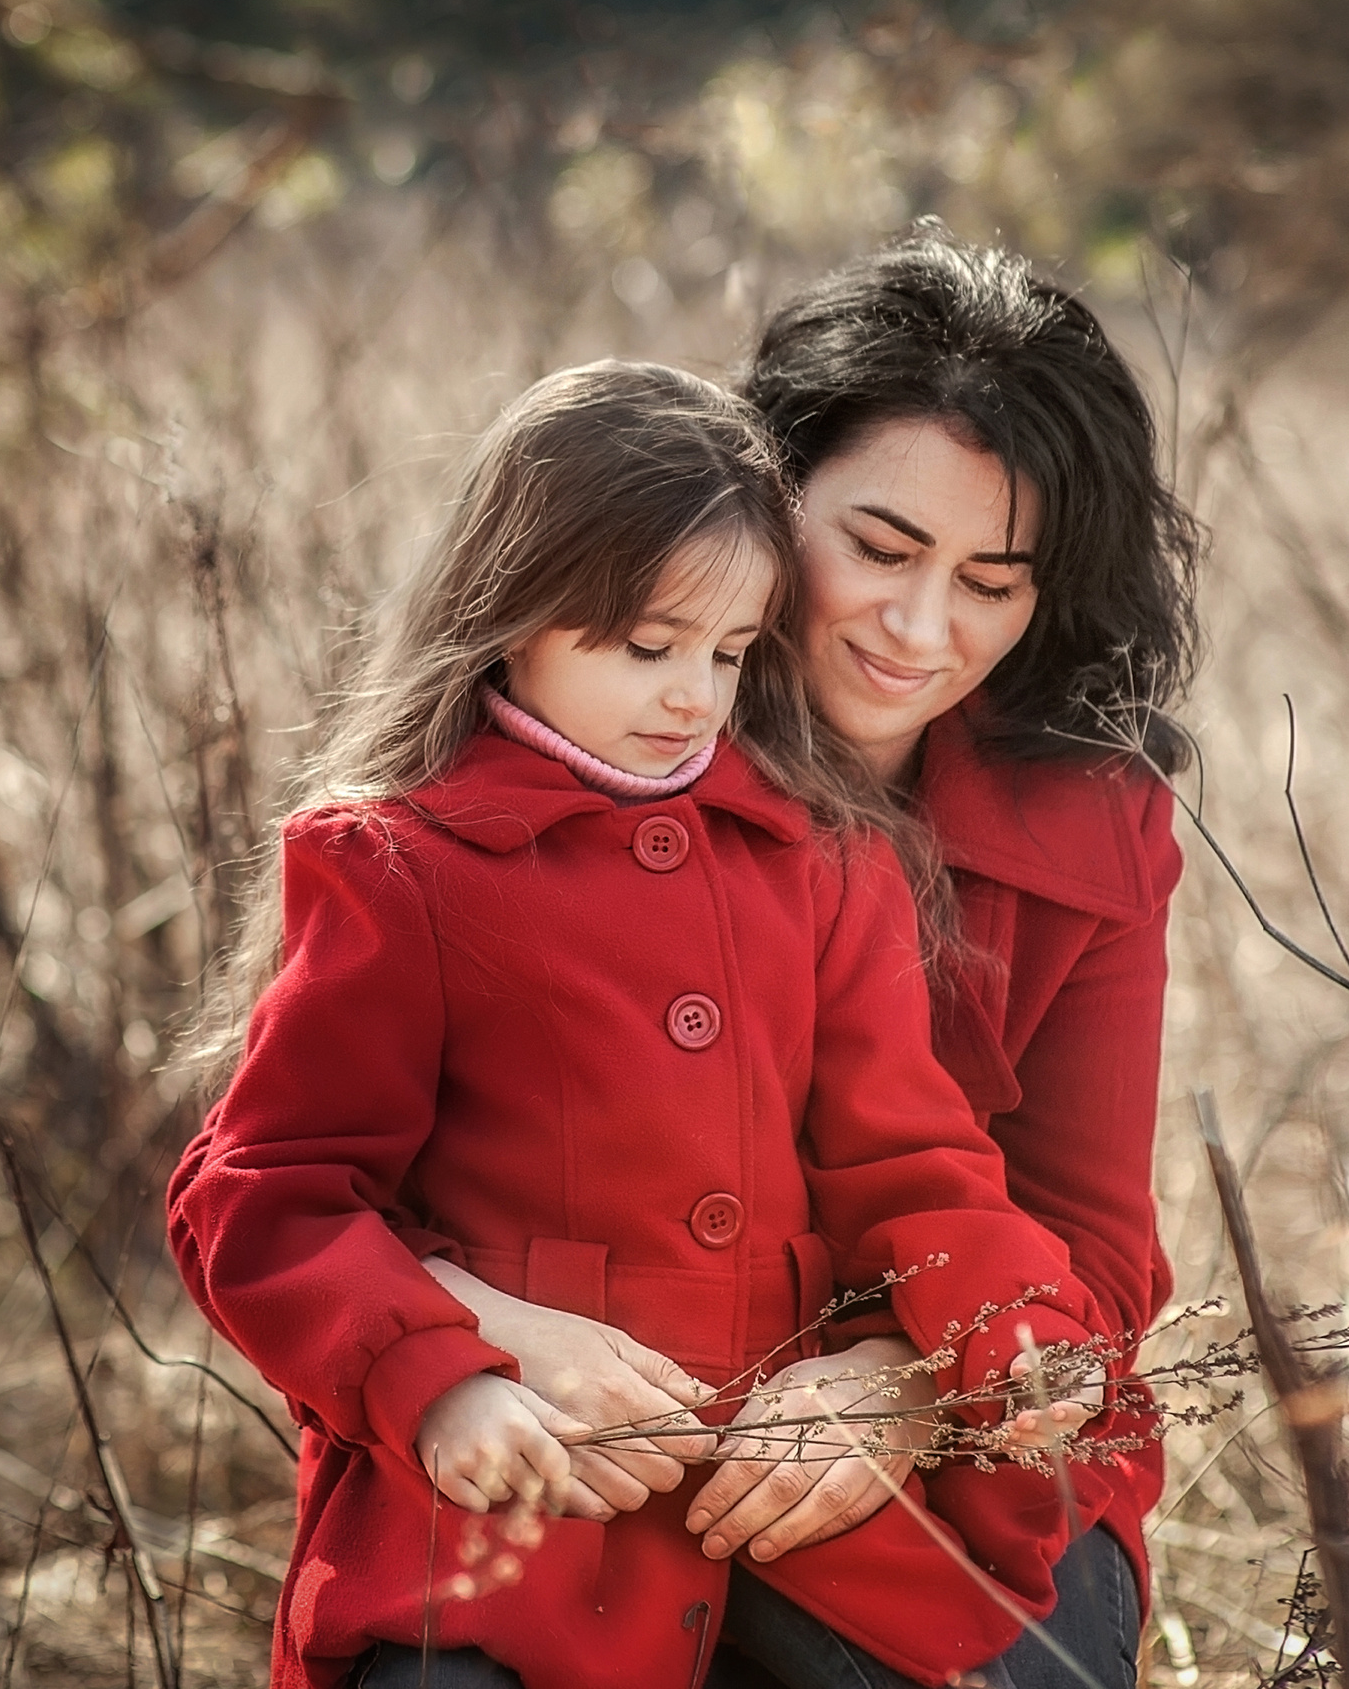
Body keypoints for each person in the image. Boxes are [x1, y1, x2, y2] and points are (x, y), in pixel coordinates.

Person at [166, 359, 1109, 1689]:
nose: (691, 698)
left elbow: (911, 1158)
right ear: (516, 614)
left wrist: (1012, 1332)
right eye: (647, 647)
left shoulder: (824, 860)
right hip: (514, 1499)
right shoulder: (402, 864)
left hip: (784, 1493)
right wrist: (449, 1382)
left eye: (730, 655)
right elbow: (268, 1198)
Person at [435, 232, 1201, 1689]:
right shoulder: (561, 731)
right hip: (581, 1428)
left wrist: (907, 1389)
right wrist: (504, 1343)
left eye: (995, 579)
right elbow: (310, 1184)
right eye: (882, 547)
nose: (924, 631)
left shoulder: (1091, 822)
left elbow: (1093, 1250)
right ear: (764, 491)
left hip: (952, 1464)